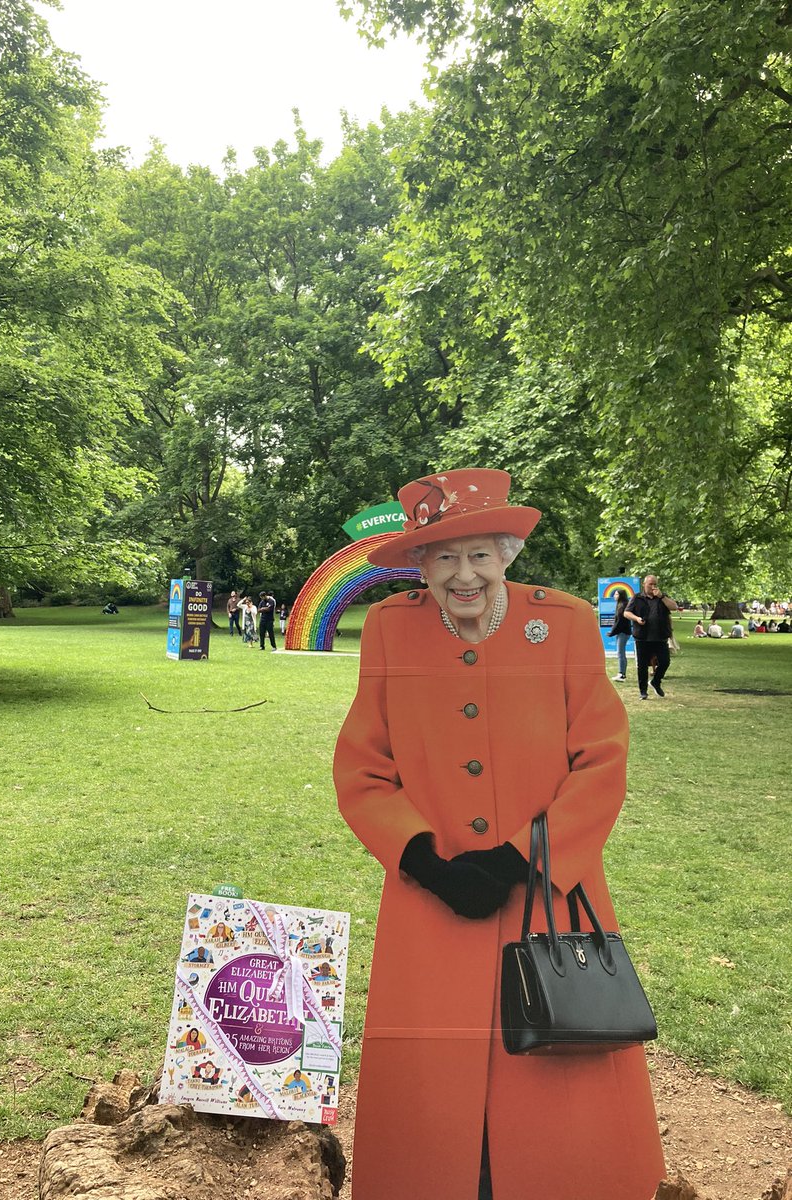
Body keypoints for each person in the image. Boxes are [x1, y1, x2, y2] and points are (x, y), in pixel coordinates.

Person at [333, 469, 664, 1200]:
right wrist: (424, 857)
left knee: (554, 1093)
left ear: (508, 554)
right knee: (432, 1097)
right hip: (435, 899)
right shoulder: (391, 629)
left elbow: (601, 762)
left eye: (480, 554)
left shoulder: (569, 623)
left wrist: (523, 856)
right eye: (445, 557)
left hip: (545, 892)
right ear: (420, 565)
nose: (464, 575)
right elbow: (363, 768)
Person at [625, 575, 679, 699]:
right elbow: (626, 612)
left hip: (660, 637)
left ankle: (656, 681)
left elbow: (674, 607)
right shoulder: (637, 597)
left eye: (655, 584)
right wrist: (637, 619)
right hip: (642, 637)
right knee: (642, 666)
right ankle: (643, 691)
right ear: (644, 584)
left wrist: (662, 596)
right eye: (650, 584)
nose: (653, 587)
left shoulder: (662, 597)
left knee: (665, 661)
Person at [606, 587, 632, 679]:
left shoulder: (623, 605)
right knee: (620, 652)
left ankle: (622, 674)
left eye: (616, 594)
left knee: (620, 653)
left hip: (623, 632)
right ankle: (621, 673)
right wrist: (613, 632)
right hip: (621, 632)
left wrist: (612, 632)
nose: (614, 596)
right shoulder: (620, 604)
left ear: (621, 596)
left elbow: (620, 621)